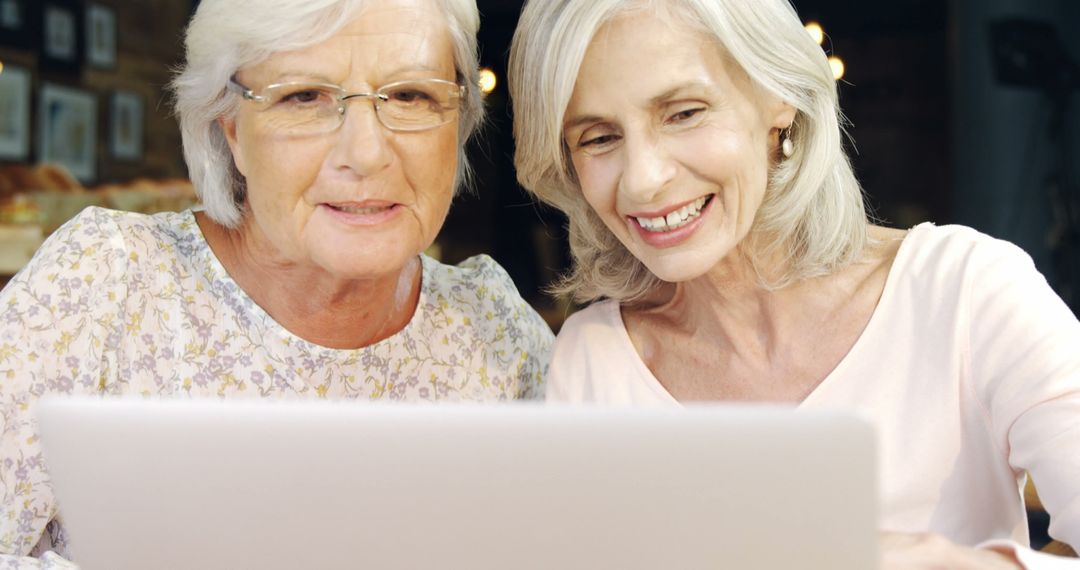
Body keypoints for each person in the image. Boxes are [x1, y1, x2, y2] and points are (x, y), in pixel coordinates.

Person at [508, 0, 1079, 567]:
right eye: (598, 138)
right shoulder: (592, 359)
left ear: (778, 98)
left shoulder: (966, 291)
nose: (643, 180)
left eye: (683, 113)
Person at [0, 0, 553, 565]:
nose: (365, 154)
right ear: (232, 130)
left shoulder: (493, 333)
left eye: (410, 96)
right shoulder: (104, 286)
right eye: (304, 98)